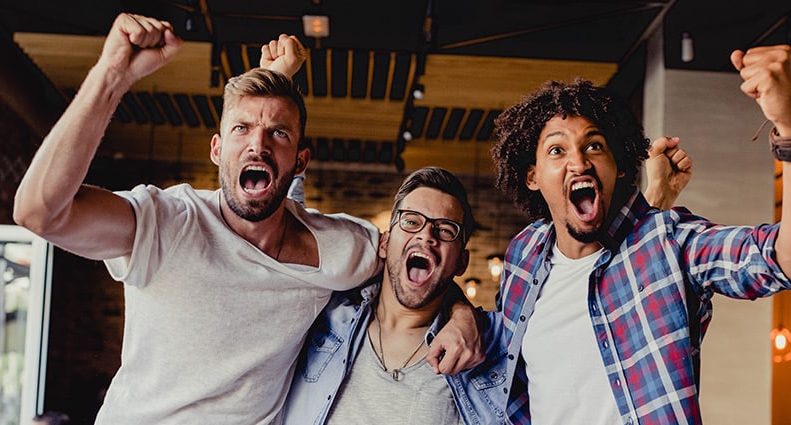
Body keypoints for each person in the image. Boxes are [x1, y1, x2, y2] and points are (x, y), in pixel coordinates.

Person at [12, 13, 480, 424]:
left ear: (300, 161)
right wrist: (112, 74)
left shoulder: (341, 247)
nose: (258, 144)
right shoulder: (168, 222)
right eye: (241, 130)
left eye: (278, 134)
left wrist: (461, 316)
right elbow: (39, 213)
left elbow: (419, 259)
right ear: (217, 149)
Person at [489, 44, 791, 424]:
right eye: (556, 150)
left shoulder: (670, 242)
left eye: (594, 145)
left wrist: (788, 128)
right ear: (532, 176)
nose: (579, 162)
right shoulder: (524, 253)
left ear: (617, 165)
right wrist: (455, 310)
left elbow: (781, 258)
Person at [281, 156, 690, 424]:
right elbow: (284, 237)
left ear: (461, 262)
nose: (426, 236)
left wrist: (654, 203)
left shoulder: (489, 348)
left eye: (445, 230)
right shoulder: (328, 315)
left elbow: (591, 293)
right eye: (412, 222)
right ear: (385, 242)